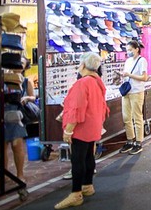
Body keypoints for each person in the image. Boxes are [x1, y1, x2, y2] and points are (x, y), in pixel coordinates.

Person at [54, 53, 108, 210]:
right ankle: (87, 185)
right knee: (88, 156)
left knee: (77, 159)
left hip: (82, 127)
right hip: (93, 125)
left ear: (83, 65)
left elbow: (77, 109)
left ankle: (76, 193)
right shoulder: (97, 82)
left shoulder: (82, 83)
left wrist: (68, 130)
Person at [0, 55, 34, 185]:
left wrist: (26, 98)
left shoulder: (26, 81)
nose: (18, 67)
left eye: (21, 64)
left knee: (17, 145)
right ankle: (4, 173)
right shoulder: (1, 80)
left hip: (16, 114)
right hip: (0, 113)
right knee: (1, 146)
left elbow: (33, 96)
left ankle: (20, 174)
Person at [119, 40, 149, 155]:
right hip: (127, 92)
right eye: (127, 50)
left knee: (137, 117)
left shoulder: (142, 61)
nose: (129, 52)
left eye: (130, 50)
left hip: (137, 91)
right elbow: (126, 75)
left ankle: (138, 142)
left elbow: (144, 77)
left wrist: (129, 75)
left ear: (137, 49)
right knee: (126, 117)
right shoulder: (127, 61)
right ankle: (130, 139)